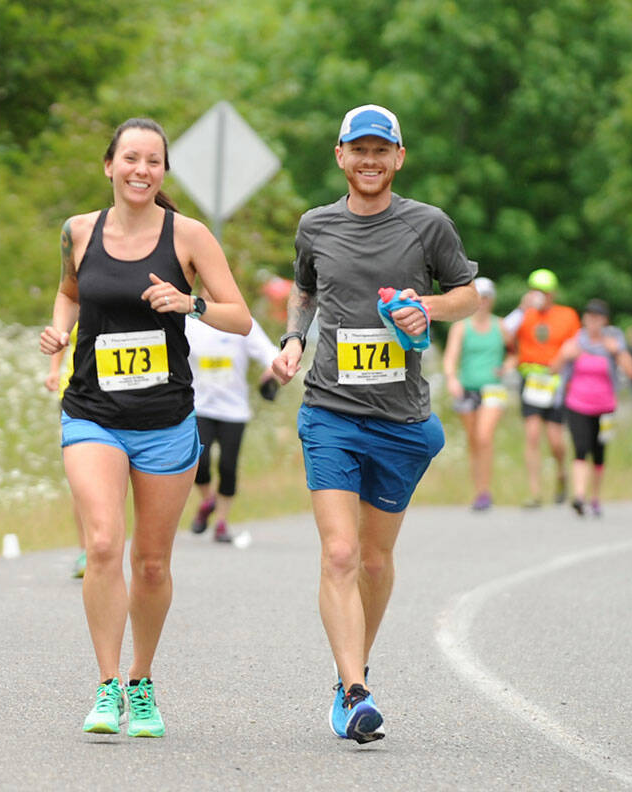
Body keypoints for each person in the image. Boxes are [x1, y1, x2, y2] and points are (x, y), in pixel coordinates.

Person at [39, 118, 252, 738]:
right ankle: (106, 686)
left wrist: (191, 304)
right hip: (92, 412)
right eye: (130, 158)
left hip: (165, 421)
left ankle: (141, 680)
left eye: (153, 161)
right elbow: (68, 293)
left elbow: (238, 317)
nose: (141, 170)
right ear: (109, 165)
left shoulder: (188, 236)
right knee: (104, 543)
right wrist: (57, 339)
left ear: (163, 172)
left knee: (152, 564)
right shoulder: (79, 231)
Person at [270, 104, 477, 743]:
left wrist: (428, 307)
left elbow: (470, 293)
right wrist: (293, 339)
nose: (368, 161)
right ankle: (356, 690)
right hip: (331, 411)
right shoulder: (316, 225)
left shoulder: (426, 225)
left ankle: (350, 670)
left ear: (398, 157)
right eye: (357, 150)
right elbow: (305, 291)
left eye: (380, 151)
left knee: (376, 562)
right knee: (339, 551)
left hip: (400, 418)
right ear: (340, 156)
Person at [185, 293, 281, 542]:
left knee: (228, 467)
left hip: (233, 410)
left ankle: (221, 523)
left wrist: (272, 370)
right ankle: (208, 500)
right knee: (199, 463)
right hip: (200, 407)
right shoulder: (189, 323)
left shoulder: (241, 322)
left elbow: (268, 351)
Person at [503, 268, 580, 506]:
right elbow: (504, 333)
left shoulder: (566, 315)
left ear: (552, 294)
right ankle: (535, 492)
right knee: (532, 436)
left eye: (544, 292)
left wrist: (563, 360)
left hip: (554, 381)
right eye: (536, 291)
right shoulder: (525, 315)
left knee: (556, 440)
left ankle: (561, 472)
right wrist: (521, 308)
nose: (540, 296)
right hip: (531, 380)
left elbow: (576, 344)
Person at [555, 299, 632, 517]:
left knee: (599, 452)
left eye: (598, 318)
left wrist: (617, 351)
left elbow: (631, 372)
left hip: (604, 407)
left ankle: (595, 497)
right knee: (580, 449)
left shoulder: (613, 343)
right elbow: (554, 368)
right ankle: (579, 496)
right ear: (584, 319)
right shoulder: (576, 343)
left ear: (605, 321)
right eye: (590, 317)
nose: (593, 322)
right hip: (577, 403)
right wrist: (565, 355)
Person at [441, 276, 508, 511]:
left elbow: (515, 352)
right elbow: (451, 357)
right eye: (479, 298)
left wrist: (507, 367)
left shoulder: (500, 326)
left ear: (492, 300)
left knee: (484, 436)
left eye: (487, 298)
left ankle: (485, 490)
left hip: (493, 388)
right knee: (473, 441)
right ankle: (479, 490)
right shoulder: (462, 327)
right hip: (468, 387)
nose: (483, 302)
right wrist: (452, 379)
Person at [45, 324, 87, 577]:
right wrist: (53, 371)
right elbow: (59, 336)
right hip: (76, 396)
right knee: (83, 483)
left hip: (129, 398)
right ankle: (86, 551)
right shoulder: (75, 294)